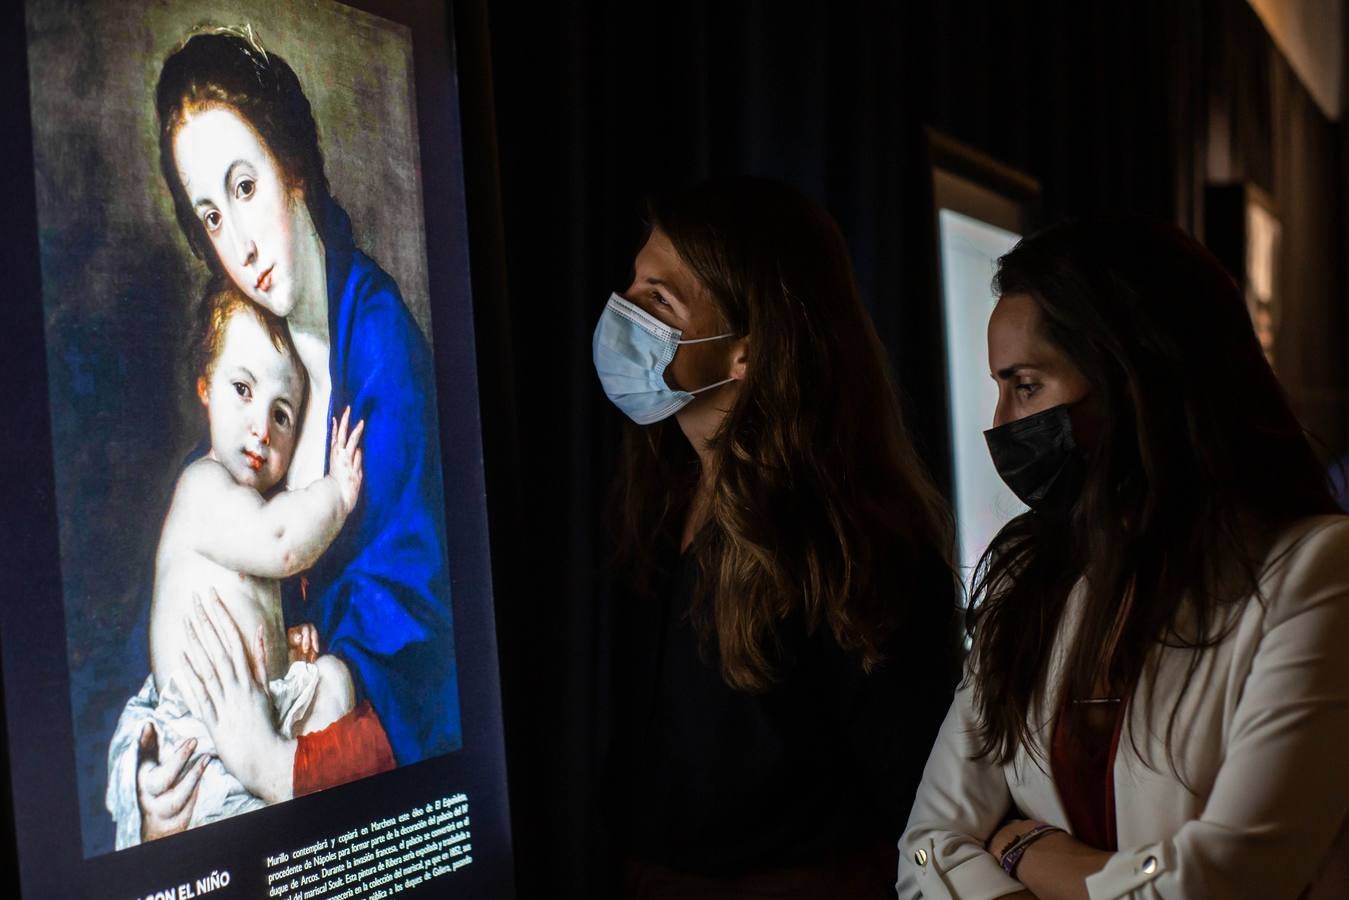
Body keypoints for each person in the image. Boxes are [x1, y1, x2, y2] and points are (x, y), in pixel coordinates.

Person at [897, 218, 1349, 899]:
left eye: (1025, 386)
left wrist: (1019, 847)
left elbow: (1227, 880)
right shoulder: (1028, 576)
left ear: (1135, 382)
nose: (998, 424)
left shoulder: (1315, 570)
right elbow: (925, 850)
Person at [132, 25, 458, 839]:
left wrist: (268, 754)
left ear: (294, 167)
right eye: (210, 215)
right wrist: (158, 782)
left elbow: (418, 642)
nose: (237, 245)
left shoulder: (377, 346)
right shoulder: (252, 359)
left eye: (245, 188)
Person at [597, 176, 961, 897]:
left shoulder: (858, 543)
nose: (622, 317)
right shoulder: (660, 490)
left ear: (746, 351)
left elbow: (913, 807)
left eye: (659, 301)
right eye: (632, 289)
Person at [106, 282, 368, 847]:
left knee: (333, 680)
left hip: (258, 719)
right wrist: (337, 497)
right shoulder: (202, 488)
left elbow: (256, 598)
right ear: (205, 387)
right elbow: (280, 542)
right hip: (197, 742)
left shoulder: (244, 501)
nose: (261, 430)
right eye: (242, 390)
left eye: (282, 414)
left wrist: (284, 647)